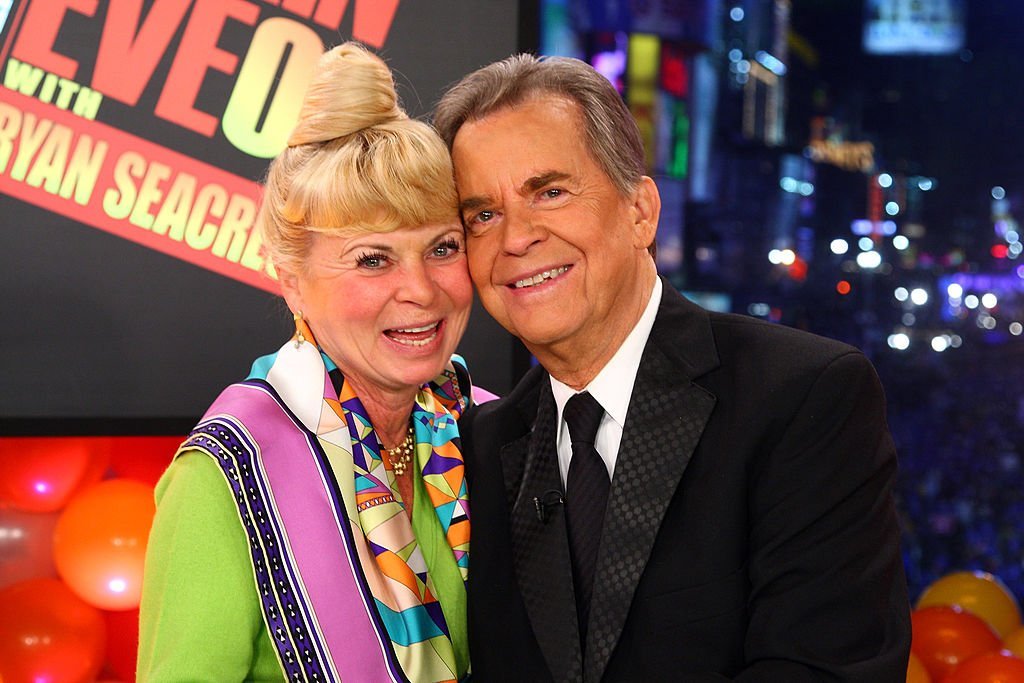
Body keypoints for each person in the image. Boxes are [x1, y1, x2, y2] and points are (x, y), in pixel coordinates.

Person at [433, 54, 911, 681]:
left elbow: (822, 668)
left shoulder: (803, 396)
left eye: (549, 192)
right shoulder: (478, 445)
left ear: (641, 212)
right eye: (483, 216)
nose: (515, 238)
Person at [138, 43, 475, 682]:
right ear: (292, 281)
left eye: (442, 247)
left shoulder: (493, 428)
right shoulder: (227, 476)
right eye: (373, 259)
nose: (423, 291)